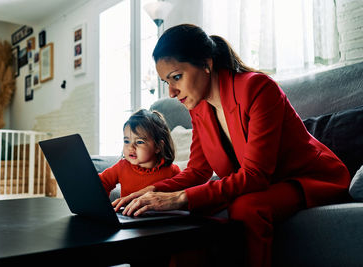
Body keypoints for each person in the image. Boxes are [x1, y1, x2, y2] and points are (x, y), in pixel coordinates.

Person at [112, 24, 351, 267]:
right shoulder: (198, 106)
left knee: (246, 207)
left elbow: (255, 175)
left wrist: (180, 197)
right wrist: (152, 190)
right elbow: (198, 171)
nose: (172, 92)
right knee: (184, 211)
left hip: (310, 178)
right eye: (166, 82)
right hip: (267, 183)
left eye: (176, 77)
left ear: (206, 63)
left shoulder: (258, 88)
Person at [99, 109, 180, 198]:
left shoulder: (172, 171)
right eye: (127, 141)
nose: (130, 147)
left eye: (139, 142)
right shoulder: (121, 167)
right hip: (128, 212)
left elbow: (183, 197)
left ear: (158, 147)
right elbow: (100, 184)